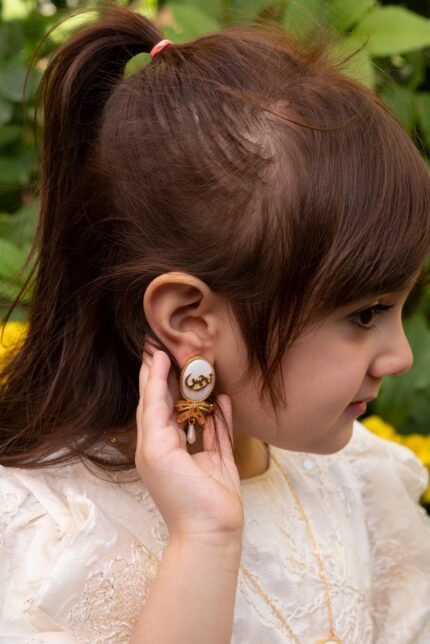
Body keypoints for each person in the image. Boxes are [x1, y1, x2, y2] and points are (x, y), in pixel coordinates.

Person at [0, 6, 430, 643]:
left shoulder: (359, 481)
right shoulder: (46, 539)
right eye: (363, 314)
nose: (400, 357)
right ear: (189, 318)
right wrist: (204, 538)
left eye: (398, 307)